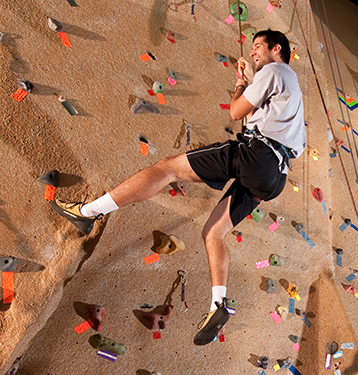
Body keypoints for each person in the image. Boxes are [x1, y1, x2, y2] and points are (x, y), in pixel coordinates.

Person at [51, 29, 306, 346]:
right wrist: (246, 82)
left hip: (258, 156)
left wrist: (244, 83)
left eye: (258, 47)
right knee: (213, 233)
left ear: (276, 48)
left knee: (166, 169)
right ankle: (217, 305)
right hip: (274, 178)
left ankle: (88, 212)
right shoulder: (289, 90)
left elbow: (236, 111)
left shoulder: (275, 70)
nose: (254, 52)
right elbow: (249, 117)